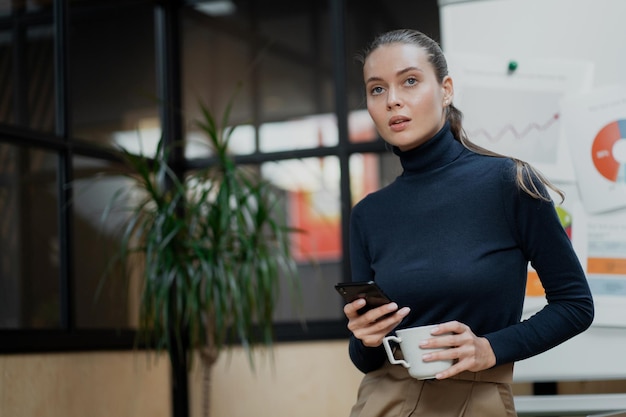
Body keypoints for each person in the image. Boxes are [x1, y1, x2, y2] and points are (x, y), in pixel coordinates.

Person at [343, 29, 594, 417]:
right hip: (383, 402)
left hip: (476, 401)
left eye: (409, 81)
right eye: (377, 89)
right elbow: (366, 361)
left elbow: (576, 305)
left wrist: (490, 348)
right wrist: (366, 338)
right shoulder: (367, 215)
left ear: (445, 90)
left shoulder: (510, 183)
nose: (392, 100)